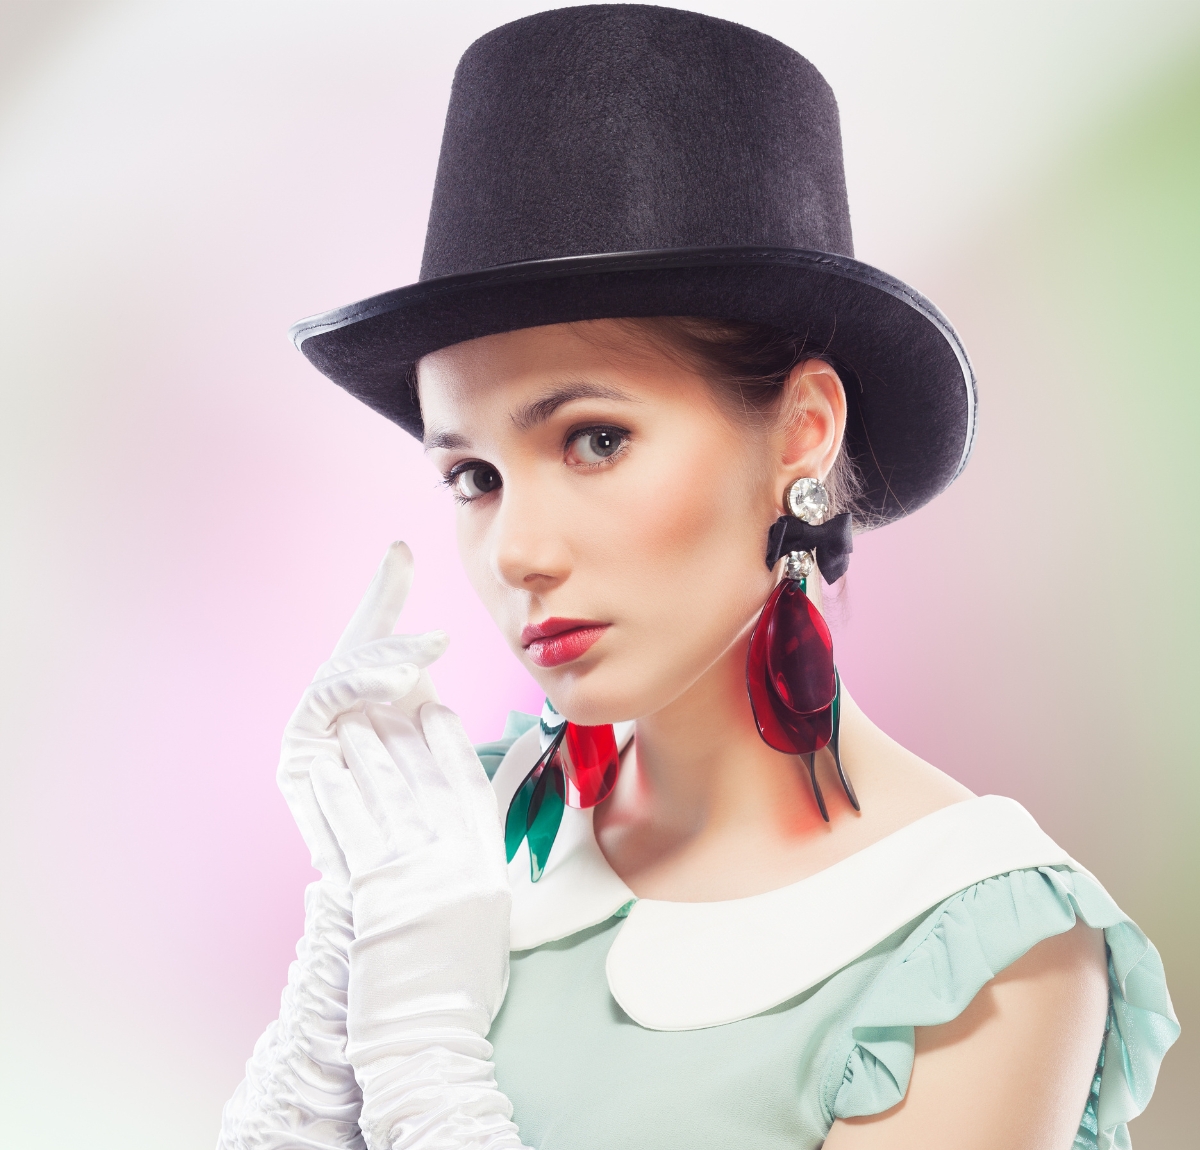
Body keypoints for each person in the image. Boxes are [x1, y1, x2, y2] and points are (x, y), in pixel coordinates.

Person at [217, 7, 1178, 1150]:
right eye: (474, 475)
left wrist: (423, 1054)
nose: (518, 549)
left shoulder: (980, 942)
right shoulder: (452, 843)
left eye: (594, 439)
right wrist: (349, 919)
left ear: (803, 430)